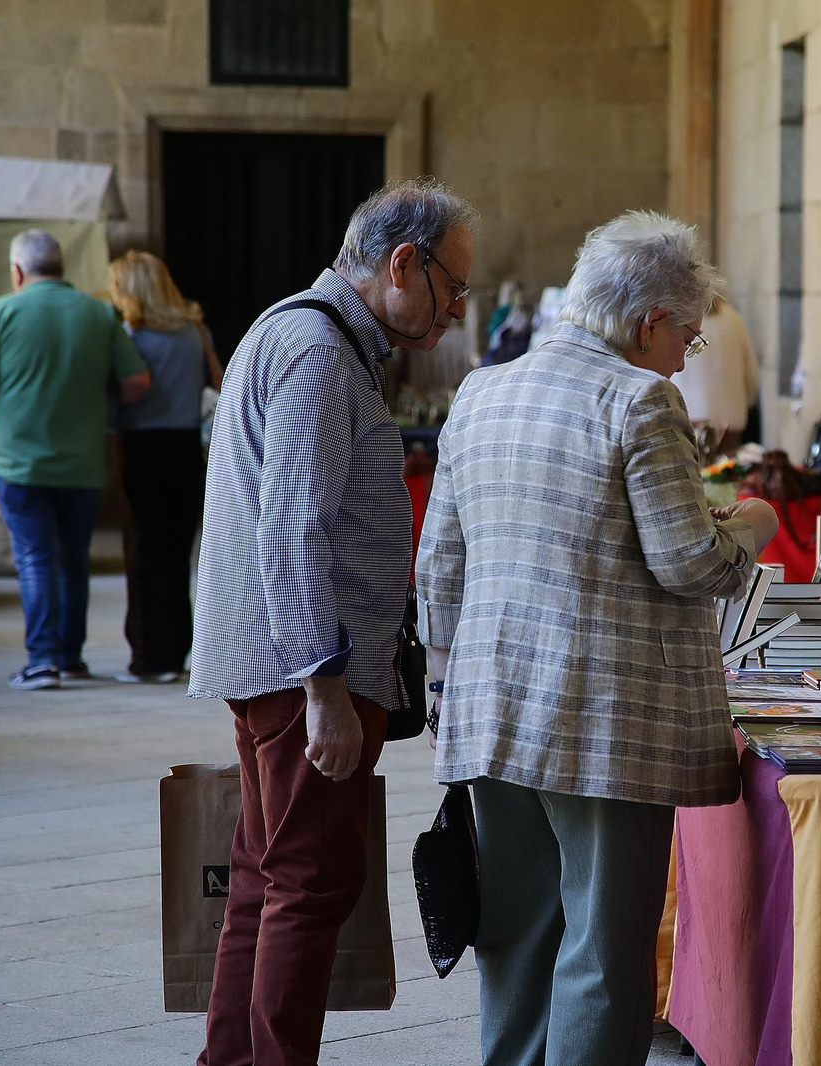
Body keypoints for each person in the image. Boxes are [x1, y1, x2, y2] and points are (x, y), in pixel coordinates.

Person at [416, 210, 780, 1066]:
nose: (684, 355)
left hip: (493, 706)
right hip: (607, 722)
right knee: (604, 956)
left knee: (516, 935)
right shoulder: (639, 397)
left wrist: (442, 684)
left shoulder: (482, 390)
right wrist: (755, 526)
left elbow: (438, 564)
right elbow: (690, 562)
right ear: (650, 320)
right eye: (688, 339)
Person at [188, 178, 477, 1066]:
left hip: (265, 654)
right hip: (300, 666)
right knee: (311, 884)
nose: (457, 311)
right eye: (452, 287)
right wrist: (324, 687)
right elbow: (291, 524)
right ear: (401, 263)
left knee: (264, 877)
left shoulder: (296, 329)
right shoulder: (316, 349)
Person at [0, 229, 151, 690]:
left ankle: (42, 661)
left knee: (36, 557)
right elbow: (137, 381)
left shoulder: (1, 311)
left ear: (17, 271)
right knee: (72, 559)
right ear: (61, 267)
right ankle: (70, 656)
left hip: (18, 461)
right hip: (82, 461)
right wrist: (104, 408)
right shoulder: (98, 314)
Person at [108, 250, 222, 684]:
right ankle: (177, 650)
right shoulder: (194, 329)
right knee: (177, 553)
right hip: (184, 447)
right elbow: (218, 381)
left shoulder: (127, 335)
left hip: (140, 445)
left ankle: (149, 657)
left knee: (142, 552)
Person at [671, 292, 759, 452]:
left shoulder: (677, 320)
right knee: (726, 473)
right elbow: (751, 374)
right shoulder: (733, 318)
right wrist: (747, 404)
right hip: (730, 418)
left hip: (689, 418)